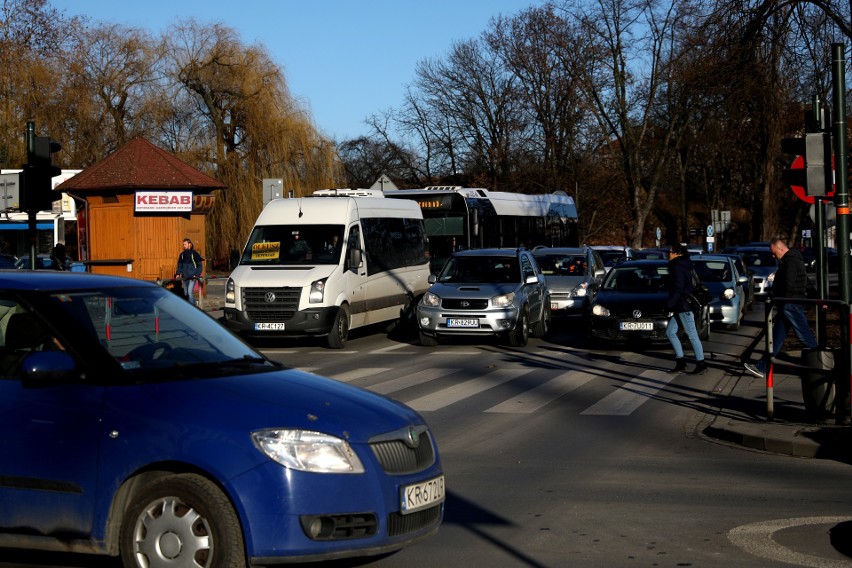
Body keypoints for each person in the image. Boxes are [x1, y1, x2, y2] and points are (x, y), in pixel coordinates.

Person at [744, 237, 817, 379]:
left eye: (774, 253)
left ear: (781, 249)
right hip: (790, 303)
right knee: (776, 338)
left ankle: (821, 367)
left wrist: (779, 299)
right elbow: (805, 281)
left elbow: (788, 285)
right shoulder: (792, 260)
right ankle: (762, 367)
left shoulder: (790, 262)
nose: (773, 256)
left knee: (805, 337)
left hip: (790, 304)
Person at [666, 243, 707, 374]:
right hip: (680, 305)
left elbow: (679, 288)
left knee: (692, 334)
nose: (669, 253)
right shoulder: (682, 265)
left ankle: (701, 363)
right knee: (670, 332)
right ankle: (680, 362)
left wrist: (669, 305)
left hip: (683, 305)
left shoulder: (678, 267)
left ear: (678, 253)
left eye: (671, 251)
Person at [175, 238, 203, 304]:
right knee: (186, 293)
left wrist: (196, 275)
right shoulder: (182, 255)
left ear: (189, 244)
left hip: (192, 277)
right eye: (183, 244)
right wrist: (178, 273)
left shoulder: (194, 254)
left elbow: (200, 266)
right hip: (185, 277)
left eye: (185, 244)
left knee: (190, 291)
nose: (184, 246)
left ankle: (192, 307)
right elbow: (180, 265)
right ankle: (194, 304)